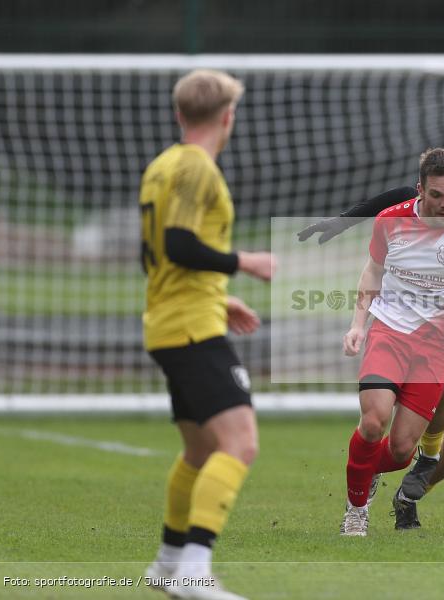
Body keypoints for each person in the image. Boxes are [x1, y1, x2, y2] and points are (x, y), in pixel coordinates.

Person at [300, 185, 444, 530]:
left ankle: (409, 495)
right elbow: (397, 198)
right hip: (440, 334)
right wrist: (344, 221)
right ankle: (426, 455)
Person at [140, 69, 276, 600]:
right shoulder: (197, 167)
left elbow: (152, 256)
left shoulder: (162, 166)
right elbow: (177, 245)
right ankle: (194, 574)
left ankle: (168, 563)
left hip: (175, 320)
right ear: (227, 117)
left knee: (199, 451)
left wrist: (218, 297)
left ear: (180, 114)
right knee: (239, 445)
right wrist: (247, 262)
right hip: (192, 330)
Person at [339, 148, 444, 536]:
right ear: (420, 190)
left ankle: (367, 470)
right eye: (437, 195)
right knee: (373, 421)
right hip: (389, 333)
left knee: (399, 453)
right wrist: (358, 324)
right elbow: (373, 271)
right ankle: (356, 509)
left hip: (436, 346)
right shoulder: (389, 222)